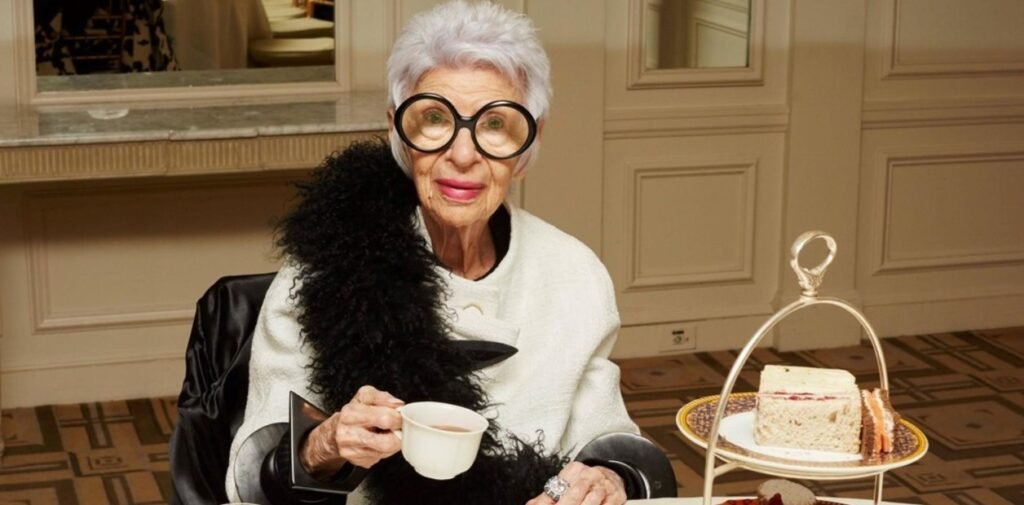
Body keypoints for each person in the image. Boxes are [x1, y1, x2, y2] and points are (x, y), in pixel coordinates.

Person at [221, 2, 669, 504]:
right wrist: (322, 447)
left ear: (529, 143)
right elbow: (249, 483)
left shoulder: (575, 274)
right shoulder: (323, 268)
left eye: (495, 124)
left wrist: (607, 479)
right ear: (398, 132)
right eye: (435, 118)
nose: (463, 154)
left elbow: (611, 443)